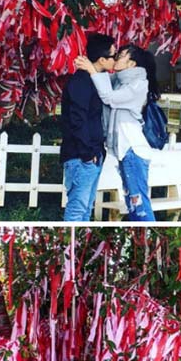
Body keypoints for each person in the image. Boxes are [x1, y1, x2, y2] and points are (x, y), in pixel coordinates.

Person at [73, 44, 160, 221]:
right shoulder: (120, 80)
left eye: (121, 56)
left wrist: (92, 69)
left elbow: (109, 98)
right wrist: (93, 67)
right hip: (126, 152)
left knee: (139, 203)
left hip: (133, 150)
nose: (116, 58)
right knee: (132, 202)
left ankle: (147, 232)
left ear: (131, 64)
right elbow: (101, 83)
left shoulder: (138, 85)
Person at [61, 33, 114, 221]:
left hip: (93, 153)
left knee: (86, 209)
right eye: (112, 57)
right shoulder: (81, 82)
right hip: (81, 156)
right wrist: (86, 152)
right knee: (78, 209)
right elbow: (78, 119)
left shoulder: (96, 79)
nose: (115, 62)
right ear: (102, 59)